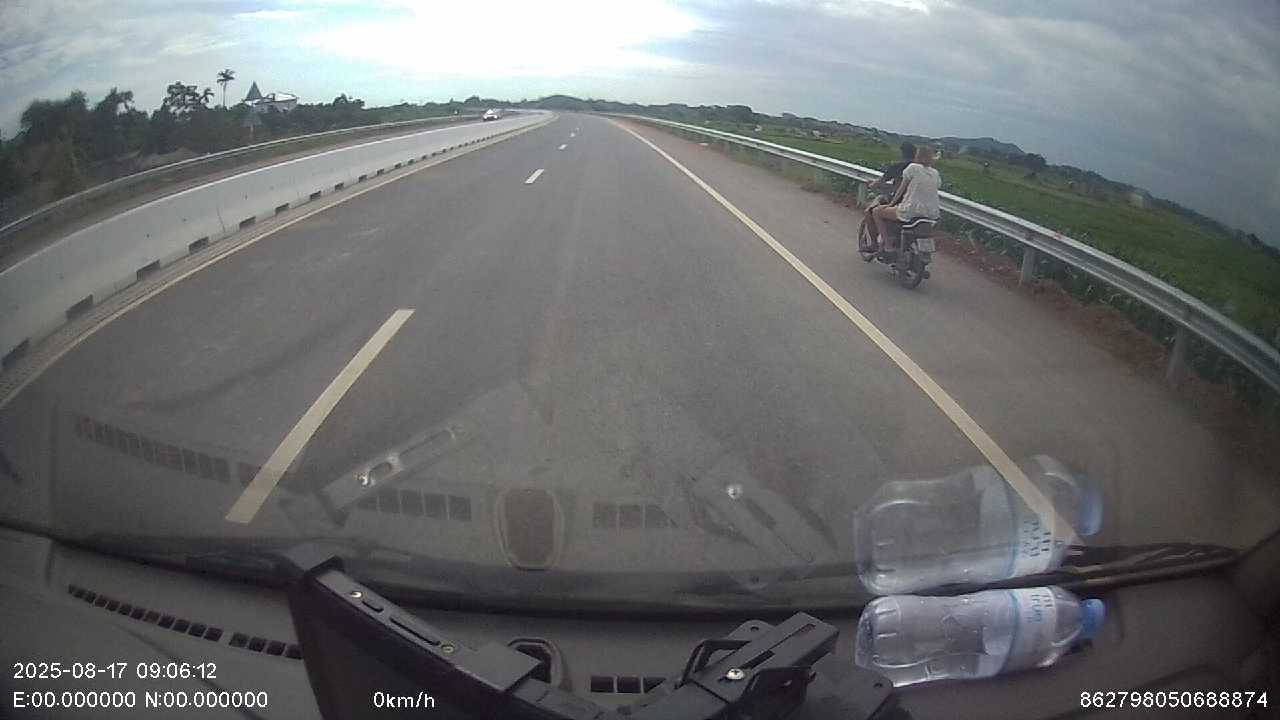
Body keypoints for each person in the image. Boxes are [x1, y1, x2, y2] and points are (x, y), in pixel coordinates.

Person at [872, 145, 941, 252]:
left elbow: (901, 189)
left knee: (877, 211)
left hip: (911, 210)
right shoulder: (935, 173)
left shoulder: (913, 168)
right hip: (931, 212)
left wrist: (891, 204)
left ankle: (888, 245)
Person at [862, 142, 916, 247]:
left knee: (870, 211)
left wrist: (871, 185)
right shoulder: (920, 169)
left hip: (899, 202)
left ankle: (875, 244)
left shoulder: (898, 167)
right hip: (916, 203)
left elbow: (881, 181)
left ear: (902, 153)